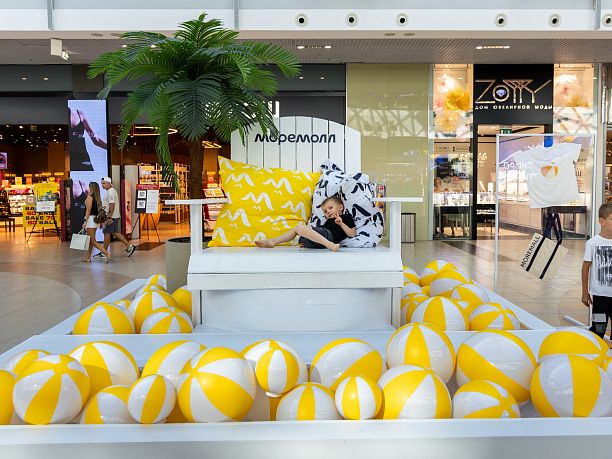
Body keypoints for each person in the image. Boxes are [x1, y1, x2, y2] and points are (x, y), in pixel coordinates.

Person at [255, 196, 356, 252]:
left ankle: (330, 245)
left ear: (340, 207)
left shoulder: (345, 217)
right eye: (325, 211)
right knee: (301, 231)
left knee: (299, 228)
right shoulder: (327, 221)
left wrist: (341, 224)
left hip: (330, 237)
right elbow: (318, 232)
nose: (328, 212)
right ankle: (273, 241)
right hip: (320, 241)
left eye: (330, 208)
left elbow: (352, 233)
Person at [582, 203, 612, 338]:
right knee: (598, 329)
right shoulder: (592, 243)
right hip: (600, 297)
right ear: (601, 221)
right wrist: (585, 292)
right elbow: (585, 268)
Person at [96, 177, 135, 259]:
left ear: (109, 183)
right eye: (102, 183)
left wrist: (109, 217)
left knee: (106, 233)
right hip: (112, 216)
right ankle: (129, 247)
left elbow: (112, 205)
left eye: (104, 183)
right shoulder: (109, 191)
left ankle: (104, 252)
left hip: (111, 217)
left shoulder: (111, 192)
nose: (102, 185)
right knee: (115, 233)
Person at [80, 182, 111, 263]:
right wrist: (100, 223)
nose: (88, 188)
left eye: (89, 187)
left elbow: (88, 210)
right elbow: (99, 211)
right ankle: (87, 258)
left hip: (90, 221)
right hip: (95, 221)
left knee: (93, 241)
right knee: (90, 240)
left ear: (91, 188)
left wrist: (85, 222)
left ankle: (106, 253)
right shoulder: (97, 198)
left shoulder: (90, 197)